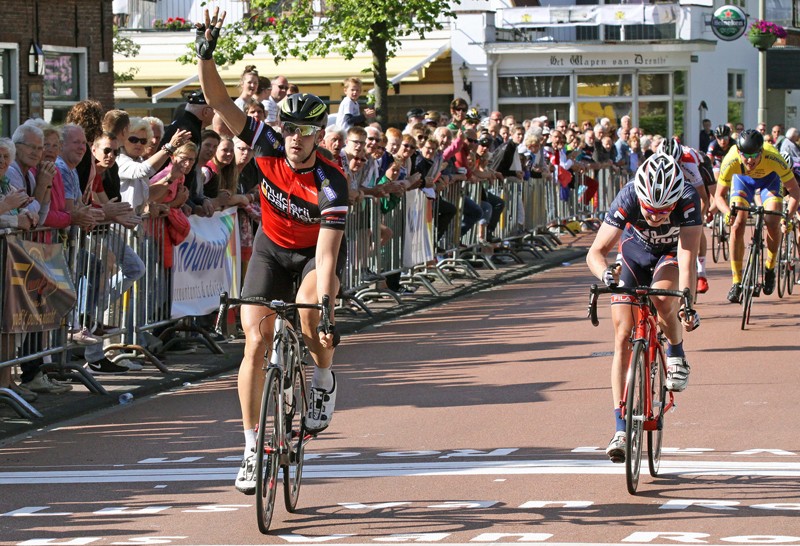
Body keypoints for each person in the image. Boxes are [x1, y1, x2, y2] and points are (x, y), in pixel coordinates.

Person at [196, 8, 349, 494]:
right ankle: (249, 448)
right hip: (269, 249)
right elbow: (218, 98)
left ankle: (323, 379)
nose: (296, 140)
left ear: (319, 136)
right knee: (255, 342)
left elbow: (326, 257)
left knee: (308, 322)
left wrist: (325, 310)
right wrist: (206, 51)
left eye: (306, 133)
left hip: (311, 258)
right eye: (290, 130)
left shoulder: (331, 182)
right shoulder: (264, 144)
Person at [586, 153, 702, 463]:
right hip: (634, 254)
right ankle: (620, 428)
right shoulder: (628, 195)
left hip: (670, 255)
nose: (654, 218)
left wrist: (688, 302)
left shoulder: (689, 200)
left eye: (663, 212)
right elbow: (596, 251)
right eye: (649, 211)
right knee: (623, 334)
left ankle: (676, 351)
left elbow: (689, 258)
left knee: (665, 299)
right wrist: (604, 274)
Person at [714, 129, 800, 303]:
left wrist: (788, 216)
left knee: (772, 220)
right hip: (743, 181)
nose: (750, 160)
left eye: (755, 155)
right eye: (746, 155)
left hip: (769, 181)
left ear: (762, 151)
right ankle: (737, 282)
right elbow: (718, 196)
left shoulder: (774, 157)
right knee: (738, 222)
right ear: (739, 152)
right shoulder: (730, 160)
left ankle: (770, 268)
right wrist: (726, 212)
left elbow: (795, 192)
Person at [659, 137, 712, 294]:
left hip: (701, 168)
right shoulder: (656, 161)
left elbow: (703, 198)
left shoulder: (688, 162)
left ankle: (701, 273)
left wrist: (698, 220)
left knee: (697, 226)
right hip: (676, 184)